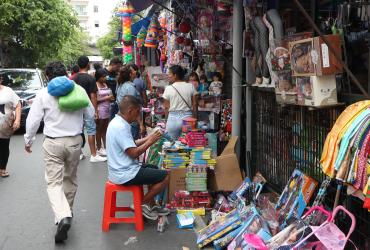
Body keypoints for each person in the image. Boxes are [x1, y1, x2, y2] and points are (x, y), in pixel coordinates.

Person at [24, 61, 95, 243]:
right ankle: (67, 212)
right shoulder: (78, 89)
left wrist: (28, 140)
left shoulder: (44, 93)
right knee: (70, 178)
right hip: (74, 143)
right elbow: (90, 114)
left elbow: (33, 121)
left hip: (53, 143)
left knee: (53, 183)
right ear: (66, 73)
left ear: (48, 76)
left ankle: (62, 215)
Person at [106, 95, 170, 220]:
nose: (138, 116)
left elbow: (130, 144)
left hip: (120, 169)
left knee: (154, 168)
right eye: (137, 112)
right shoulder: (121, 127)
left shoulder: (117, 122)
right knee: (166, 175)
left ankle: (152, 205)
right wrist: (150, 141)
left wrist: (148, 138)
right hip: (124, 173)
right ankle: (140, 204)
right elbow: (134, 153)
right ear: (130, 110)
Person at [73, 55, 106, 162]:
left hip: (76, 107)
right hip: (87, 107)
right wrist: (95, 111)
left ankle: (79, 153)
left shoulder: (73, 78)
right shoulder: (90, 78)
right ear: (88, 65)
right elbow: (93, 96)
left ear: (78, 65)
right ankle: (93, 155)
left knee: (78, 131)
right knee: (91, 130)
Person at [163, 65, 197, 139]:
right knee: (188, 143)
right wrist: (195, 118)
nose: (168, 76)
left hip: (173, 118)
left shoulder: (168, 88)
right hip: (188, 118)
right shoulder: (190, 86)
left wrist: (166, 121)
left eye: (170, 74)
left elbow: (166, 107)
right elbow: (195, 104)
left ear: (175, 75)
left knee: (170, 144)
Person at [116, 65, 145, 140]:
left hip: (124, 119)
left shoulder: (121, 85)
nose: (135, 72)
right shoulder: (130, 87)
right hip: (131, 121)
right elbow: (133, 107)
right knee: (132, 144)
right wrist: (141, 124)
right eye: (133, 71)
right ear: (130, 74)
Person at [0, 75, 21, 177]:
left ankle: (2, 168)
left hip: (5, 125)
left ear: (1, 79)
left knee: (3, 146)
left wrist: (17, 120)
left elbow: (17, 105)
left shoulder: (8, 91)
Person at [95, 68, 113, 155]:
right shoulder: (96, 85)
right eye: (103, 76)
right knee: (99, 130)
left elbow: (110, 96)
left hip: (107, 109)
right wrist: (107, 98)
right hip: (100, 110)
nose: (105, 78)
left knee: (105, 129)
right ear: (99, 77)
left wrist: (110, 97)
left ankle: (106, 147)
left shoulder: (105, 84)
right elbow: (95, 100)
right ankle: (98, 148)